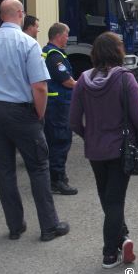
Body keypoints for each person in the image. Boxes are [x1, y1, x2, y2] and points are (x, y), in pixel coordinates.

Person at [0, 0, 69, 241]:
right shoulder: (28, 44)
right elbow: (40, 87)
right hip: (21, 112)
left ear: (1, 15)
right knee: (38, 167)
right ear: (20, 14)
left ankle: (15, 226)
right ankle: (49, 226)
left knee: (5, 170)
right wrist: (39, 113)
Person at [69, 31, 138, 269]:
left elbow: (73, 121)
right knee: (114, 200)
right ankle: (109, 254)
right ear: (118, 52)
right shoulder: (126, 79)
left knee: (107, 197)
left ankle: (122, 236)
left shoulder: (82, 80)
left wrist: (89, 136)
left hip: (95, 151)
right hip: (120, 149)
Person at [42, 23, 78, 195]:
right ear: (58, 35)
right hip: (58, 105)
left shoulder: (49, 52)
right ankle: (57, 180)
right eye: (66, 34)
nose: (67, 38)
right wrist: (84, 85)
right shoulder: (54, 55)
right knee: (60, 141)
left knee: (54, 141)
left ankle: (56, 177)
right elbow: (66, 81)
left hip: (55, 105)